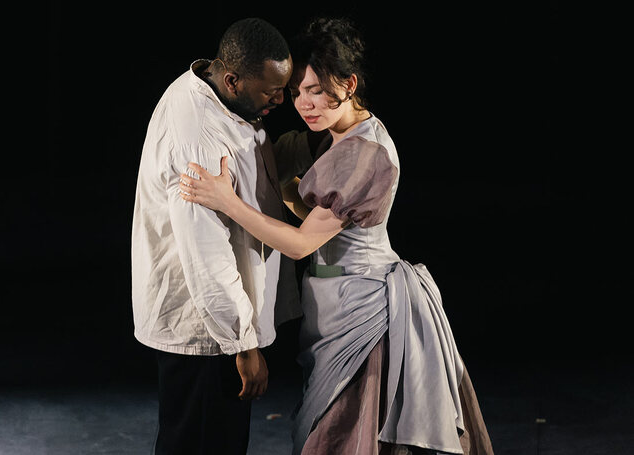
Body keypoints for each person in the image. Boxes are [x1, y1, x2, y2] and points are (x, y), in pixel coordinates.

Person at [179, 17, 495, 455]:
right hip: (331, 298)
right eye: (296, 92)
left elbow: (300, 243)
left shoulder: (365, 152)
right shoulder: (335, 135)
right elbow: (312, 212)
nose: (305, 104)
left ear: (348, 84)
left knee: (350, 431)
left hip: (365, 306)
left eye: (316, 90)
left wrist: (226, 201)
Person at [131, 18, 301, 455]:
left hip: (216, 327)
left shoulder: (222, 95)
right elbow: (206, 252)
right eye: (271, 91)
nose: (282, 100)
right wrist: (242, 344)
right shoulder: (199, 138)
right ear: (232, 79)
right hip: (207, 334)